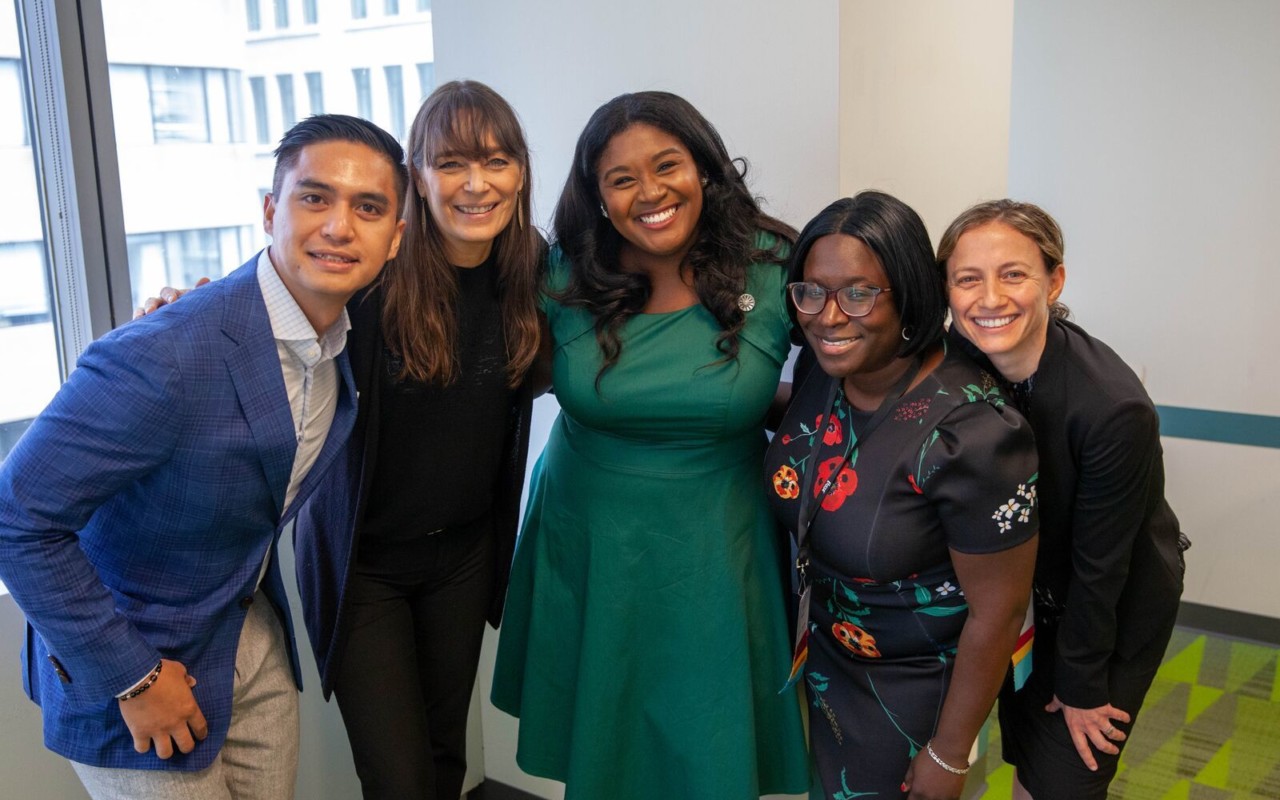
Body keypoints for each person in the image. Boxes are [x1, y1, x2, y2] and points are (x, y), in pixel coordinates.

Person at [0, 114, 407, 800]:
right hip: (138, 673)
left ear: (395, 238)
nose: (340, 226)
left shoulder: (341, 341)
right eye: (315, 198)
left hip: (250, 648)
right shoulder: (166, 353)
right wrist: (133, 677)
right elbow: (17, 517)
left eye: (368, 208)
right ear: (271, 210)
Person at [489, 91, 809, 799]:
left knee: (708, 742)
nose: (650, 192)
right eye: (621, 178)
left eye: (667, 165)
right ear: (598, 196)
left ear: (705, 169)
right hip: (590, 538)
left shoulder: (776, 263)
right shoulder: (562, 273)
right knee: (608, 743)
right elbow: (496, 367)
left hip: (717, 545)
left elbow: (848, 370)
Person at [293, 81, 543, 800]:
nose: (476, 184)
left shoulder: (528, 266)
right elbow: (279, 296)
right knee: (399, 780)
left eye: (496, 161)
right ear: (417, 176)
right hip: (365, 565)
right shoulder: (376, 274)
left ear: (519, 171)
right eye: (452, 162)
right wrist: (175, 305)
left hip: (463, 556)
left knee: (444, 760)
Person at [765, 191, 1039, 799]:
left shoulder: (974, 436)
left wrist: (948, 755)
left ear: (910, 292)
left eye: (859, 293)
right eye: (810, 291)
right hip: (823, 657)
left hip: (912, 687)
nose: (829, 316)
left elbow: (998, 613)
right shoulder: (824, 372)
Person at [937, 199, 1186, 800]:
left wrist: (1081, 686)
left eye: (1014, 274)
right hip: (1014, 596)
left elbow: (1101, 569)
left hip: (1104, 606)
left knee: (1063, 775)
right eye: (968, 278)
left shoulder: (1112, 408)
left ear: (1055, 280)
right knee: (1021, 743)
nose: (990, 298)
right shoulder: (956, 360)